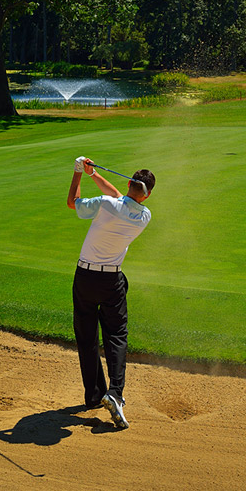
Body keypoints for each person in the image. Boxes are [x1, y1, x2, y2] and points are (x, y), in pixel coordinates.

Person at [67, 156, 155, 429]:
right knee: (116, 335)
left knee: (87, 336)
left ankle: (95, 395)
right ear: (148, 195)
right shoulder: (144, 216)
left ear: (129, 182)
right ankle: (114, 392)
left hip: (85, 277)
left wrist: (79, 172)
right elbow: (120, 198)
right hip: (112, 281)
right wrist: (95, 174)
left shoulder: (106, 204)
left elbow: (74, 202)